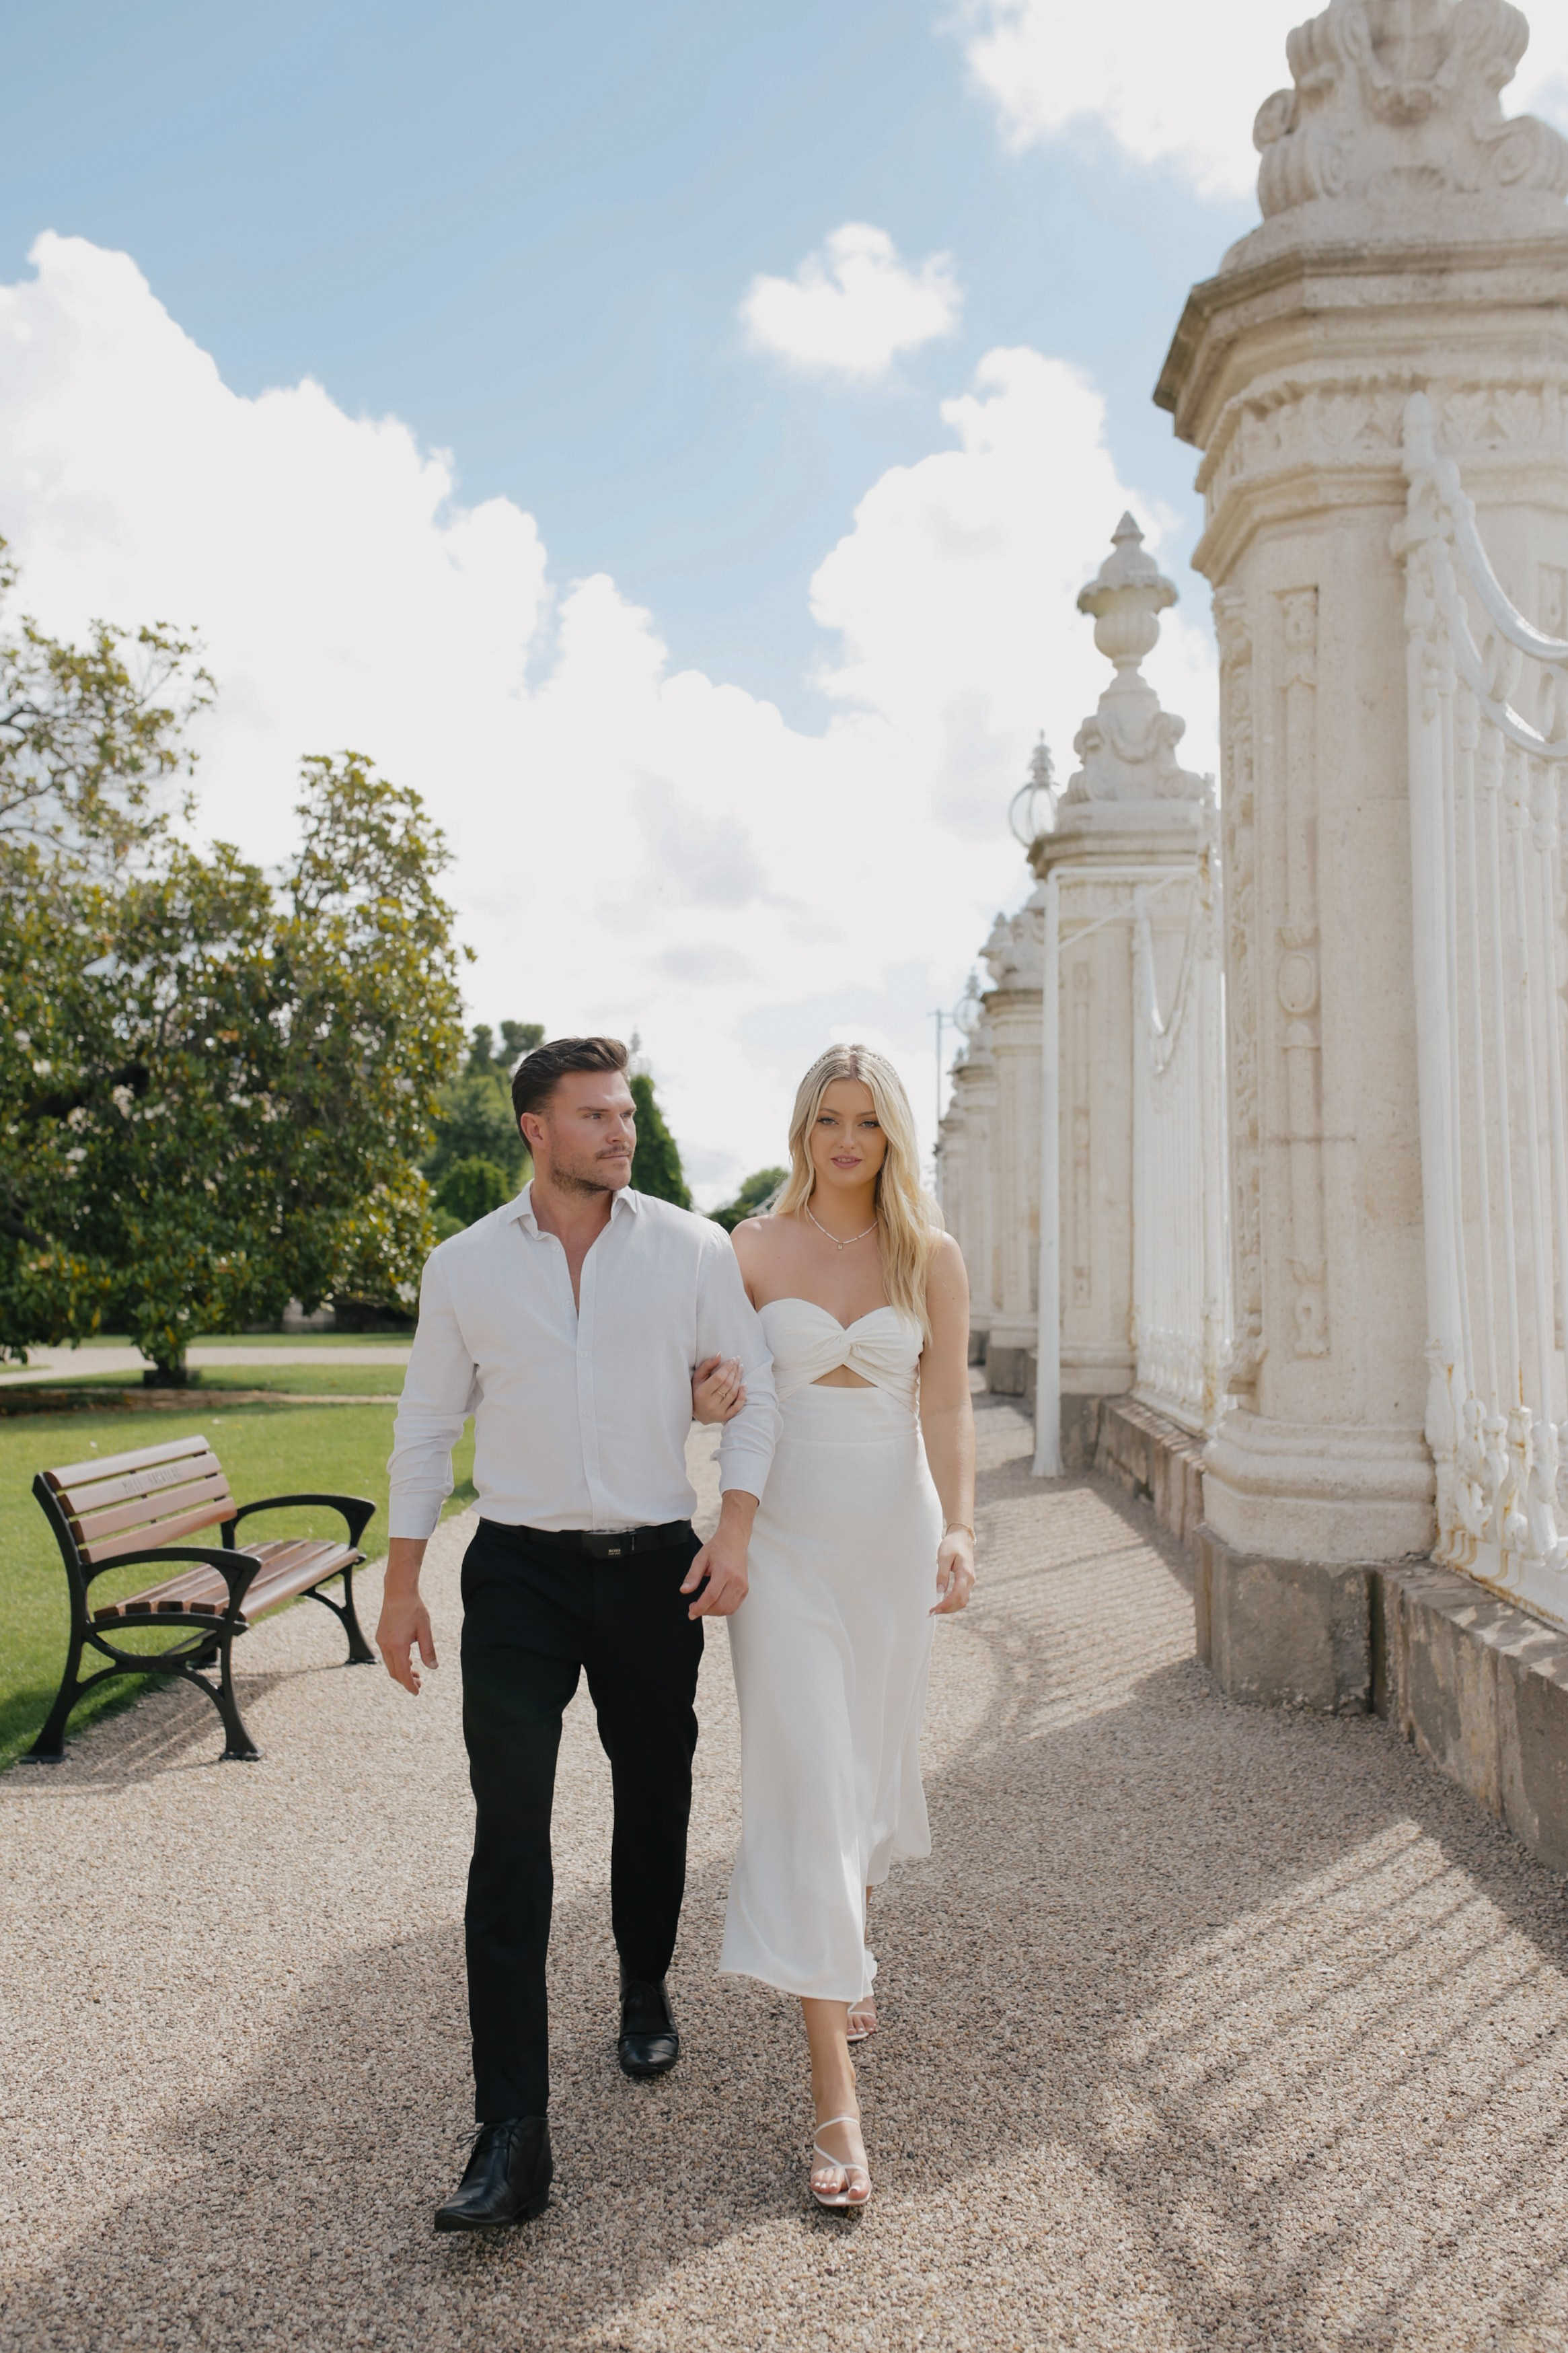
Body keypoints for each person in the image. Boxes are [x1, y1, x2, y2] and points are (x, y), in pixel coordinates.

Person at [377, 1035, 779, 2234]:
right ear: (534, 1129)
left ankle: (644, 1980)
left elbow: (751, 1393)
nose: (621, 1130)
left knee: (655, 1791)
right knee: (509, 1838)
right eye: (595, 1114)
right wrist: (402, 1584)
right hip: (519, 1575)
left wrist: (736, 1531)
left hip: (656, 1562)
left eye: (626, 1112)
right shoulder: (463, 1267)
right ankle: (511, 2132)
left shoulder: (694, 1249)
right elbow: (423, 1427)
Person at [703, 1042, 976, 2212]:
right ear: (803, 1130)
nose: (848, 1139)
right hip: (785, 1549)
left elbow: (949, 1398)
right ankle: (834, 2100)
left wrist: (961, 1527)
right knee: (807, 1779)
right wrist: (703, 1395)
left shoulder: (931, 1254)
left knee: (863, 1761)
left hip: (890, 1539)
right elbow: (707, 1385)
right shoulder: (750, 1252)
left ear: (892, 1134)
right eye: (829, 1118)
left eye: (867, 1120)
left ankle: (845, 1931)